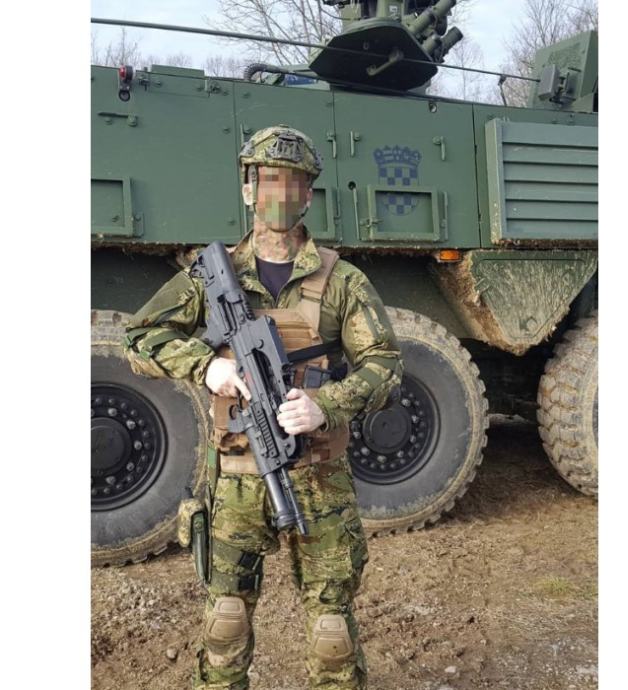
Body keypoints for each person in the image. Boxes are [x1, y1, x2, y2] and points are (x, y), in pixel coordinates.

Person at [123, 125, 403, 690]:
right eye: (269, 179)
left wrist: (326, 405)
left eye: (293, 182)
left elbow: (386, 364)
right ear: (248, 189)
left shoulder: (342, 280)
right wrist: (206, 366)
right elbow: (139, 338)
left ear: (308, 195)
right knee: (225, 622)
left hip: (319, 479)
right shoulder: (212, 274)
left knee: (331, 631)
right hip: (234, 480)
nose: (280, 193)